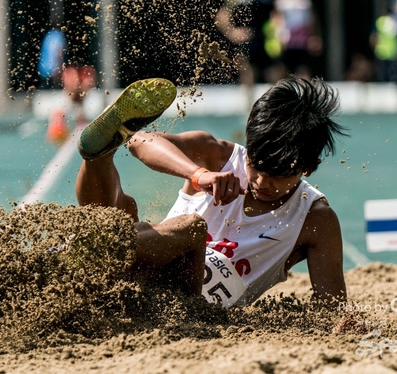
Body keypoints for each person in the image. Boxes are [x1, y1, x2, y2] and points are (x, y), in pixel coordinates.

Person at [75, 76, 348, 307]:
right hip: (134, 272)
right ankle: (99, 158)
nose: (262, 182)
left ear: (309, 168)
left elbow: (332, 307)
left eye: (278, 175)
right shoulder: (219, 156)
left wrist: (345, 322)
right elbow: (139, 140)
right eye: (256, 165)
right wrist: (198, 175)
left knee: (192, 228)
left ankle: (77, 261)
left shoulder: (315, 219)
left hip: (183, 307)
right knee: (120, 212)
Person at [215, 0, 277, 107]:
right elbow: (222, 17)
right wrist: (232, 32)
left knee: (274, 73)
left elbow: (276, 17)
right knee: (248, 74)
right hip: (247, 42)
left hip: (264, 41)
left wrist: (276, 32)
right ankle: (249, 108)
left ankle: (274, 106)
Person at [273, 0, 323, 80]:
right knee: (303, 69)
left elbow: (276, 20)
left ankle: (282, 93)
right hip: (302, 42)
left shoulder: (281, 1)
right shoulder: (305, 1)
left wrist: (277, 36)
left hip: (285, 41)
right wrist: (315, 37)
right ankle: (306, 93)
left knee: (282, 69)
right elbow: (313, 21)